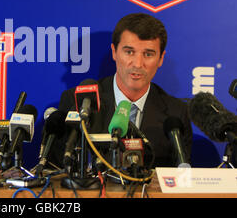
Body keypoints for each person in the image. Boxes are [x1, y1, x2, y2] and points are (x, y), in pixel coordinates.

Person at [49, 13, 193, 168]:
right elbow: (57, 172)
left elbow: (179, 180)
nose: (138, 64)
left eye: (148, 54)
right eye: (129, 52)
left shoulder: (176, 113)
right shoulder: (77, 101)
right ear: (114, 52)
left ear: (161, 59)